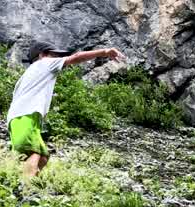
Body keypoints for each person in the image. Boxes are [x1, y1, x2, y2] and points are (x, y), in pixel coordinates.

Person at [8, 41, 126, 177]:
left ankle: (24, 181)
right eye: (54, 55)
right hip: (25, 116)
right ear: (42, 55)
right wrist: (104, 52)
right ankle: (25, 188)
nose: (57, 59)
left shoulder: (29, 74)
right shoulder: (44, 63)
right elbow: (76, 57)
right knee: (34, 153)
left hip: (20, 118)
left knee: (43, 157)